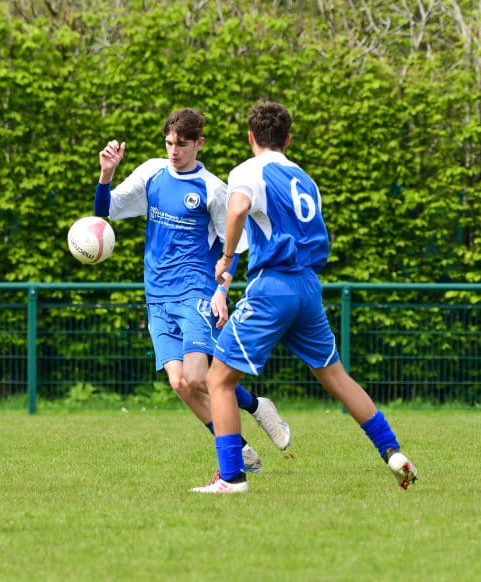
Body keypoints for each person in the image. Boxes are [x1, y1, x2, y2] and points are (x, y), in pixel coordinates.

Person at [193, 101, 418, 493]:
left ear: (250, 137)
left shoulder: (248, 170)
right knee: (336, 377)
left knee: (219, 379)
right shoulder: (305, 179)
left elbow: (239, 207)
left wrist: (226, 258)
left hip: (272, 286)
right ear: (288, 139)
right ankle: (392, 451)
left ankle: (231, 477)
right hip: (308, 286)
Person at [95, 108, 291, 475]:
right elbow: (105, 209)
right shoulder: (152, 173)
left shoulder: (213, 189)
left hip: (196, 290)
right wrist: (107, 174)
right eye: (169, 143)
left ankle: (254, 409)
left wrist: (221, 291)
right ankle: (241, 446)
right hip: (157, 294)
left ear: (199, 144)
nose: (173, 151)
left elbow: (235, 246)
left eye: (182, 145)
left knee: (199, 377)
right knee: (180, 383)